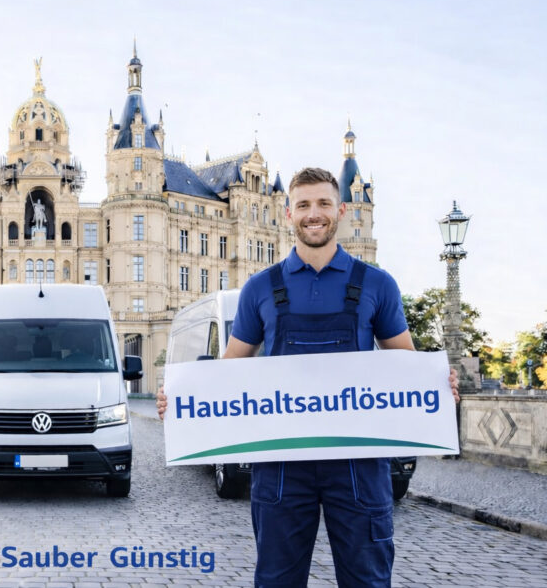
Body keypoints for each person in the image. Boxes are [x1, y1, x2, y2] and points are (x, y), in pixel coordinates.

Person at [157, 167, 458, 588]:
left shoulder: (377, 284)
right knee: (278, 581)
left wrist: (438, 386)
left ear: (342, 211)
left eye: (322, 204)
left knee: (368, 581)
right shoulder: (260, 289)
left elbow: (405, 366)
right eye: (303, 205)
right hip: (281, 465)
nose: (313, 214)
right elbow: (229, 371)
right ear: (288, 214)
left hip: (359, 462)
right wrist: (183, 401)